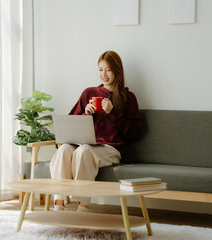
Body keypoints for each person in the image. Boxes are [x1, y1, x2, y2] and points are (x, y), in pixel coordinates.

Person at [49, 50, 142, 212]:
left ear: (117, 71)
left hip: (111, 148)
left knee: (84, 151)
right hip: (83, 143)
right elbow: (69, 123)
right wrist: (86, 114)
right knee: (64, 149)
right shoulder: (89, 93)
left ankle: (82, 207)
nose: (103, 74)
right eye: (100, 69)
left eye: (108, 69)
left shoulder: (128, 97)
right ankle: (59, 204)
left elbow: (133, 133)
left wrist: (113, 112)